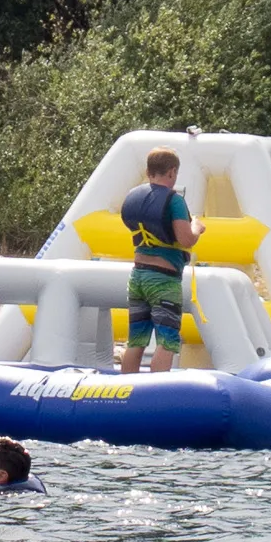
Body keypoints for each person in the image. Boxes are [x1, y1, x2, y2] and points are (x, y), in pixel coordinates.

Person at [116, 149, 203, 374]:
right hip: (163, 280)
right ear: (172, 172)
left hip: (138, 276)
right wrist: (197, 227)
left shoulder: (134, 197)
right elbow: (186, 239)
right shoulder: (174, 201)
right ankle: (156, 390)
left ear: (148, 171)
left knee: (136, 341)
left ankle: (127, 390)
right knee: (167, 341)